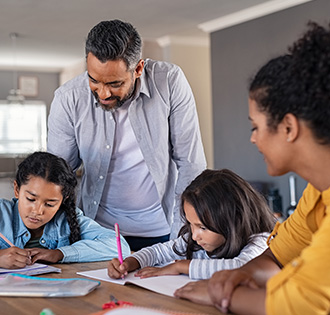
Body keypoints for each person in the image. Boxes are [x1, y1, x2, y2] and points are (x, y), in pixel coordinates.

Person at [174, 22, 330, 315]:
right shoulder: (316, 194)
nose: (253, 138)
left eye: (255, 126)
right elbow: (280, 253)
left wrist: (219, 295)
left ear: (288, 127)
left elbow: (302, 305)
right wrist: (241, 275)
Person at [47, 19, 206, 251]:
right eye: (93, 80)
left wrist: (183, 233)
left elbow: (191, 163)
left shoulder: (170, 81)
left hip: (164, 228)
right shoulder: (68, 98)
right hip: (98, 231)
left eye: (114, 83)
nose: (103, 93)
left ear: (138, 69)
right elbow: (57, 175)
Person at [107, 169, 275, 280]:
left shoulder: (261, 242)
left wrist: (181, 266)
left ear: (234, 220)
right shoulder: (195, 240)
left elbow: (242, 267)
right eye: (190, 224)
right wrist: (130, 262)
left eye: (203, 227)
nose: (194, 236)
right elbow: (158, 252)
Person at [0, 151, 130, 268]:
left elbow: (120, 247)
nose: (38, 211)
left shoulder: (66, 218)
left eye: (50, 204)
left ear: (63, 200)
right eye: (31, 199)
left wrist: (60, 254)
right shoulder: (2, 213)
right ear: (17, 190)